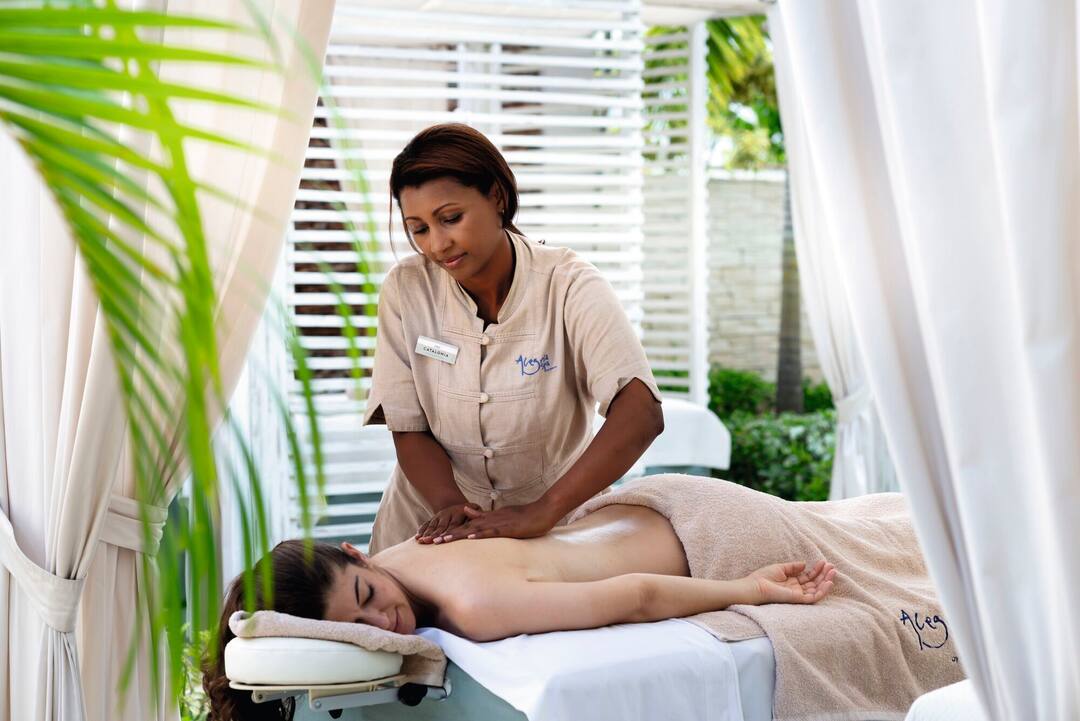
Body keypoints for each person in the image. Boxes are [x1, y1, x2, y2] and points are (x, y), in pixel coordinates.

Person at [203, 475, 838, 721]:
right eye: (357, 626)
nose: (383, 620)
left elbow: (638, 596)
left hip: (710, 535)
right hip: (648, 503)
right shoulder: (403, 550)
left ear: (355, 553)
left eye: (366, 594)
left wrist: (752, 589)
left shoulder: (474, 610)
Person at [364, 122, 665, 553]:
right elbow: (408, 424)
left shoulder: (568, 284)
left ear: (497, 197)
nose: (437, 244)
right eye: (419, 229)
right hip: (426, 523)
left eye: (450, 218)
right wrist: (451, 507)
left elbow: (640, 412)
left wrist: (543, 510)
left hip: (554, 530)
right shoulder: (406, 289)